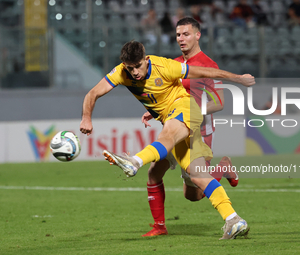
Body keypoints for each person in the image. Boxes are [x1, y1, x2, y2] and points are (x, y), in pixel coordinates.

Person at [80, 41, 255, 240]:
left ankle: (135, 161)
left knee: (167, 136)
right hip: (169, 118)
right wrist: (86, 117)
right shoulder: (121, 73)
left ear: (146, 60)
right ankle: (233, 220)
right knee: (191, 177)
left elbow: (206, 72)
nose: (135, 72)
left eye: (138, 66)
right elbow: (92, 93)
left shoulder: (165, 66)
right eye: (130, 68)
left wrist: (238, 78)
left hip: (186, 108)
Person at [140, 17, 239, 237]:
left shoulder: (209, 66)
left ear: (197, 35)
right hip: (175, 130)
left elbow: (219, 102)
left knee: (193, 194)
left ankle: (223, 166)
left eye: (186, 34)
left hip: (199, 132)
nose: (181, 39)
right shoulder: (175, 64)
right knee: (154, 172)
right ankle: (159, 227)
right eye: (178, 35)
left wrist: (191, 111)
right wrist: (155, 111)